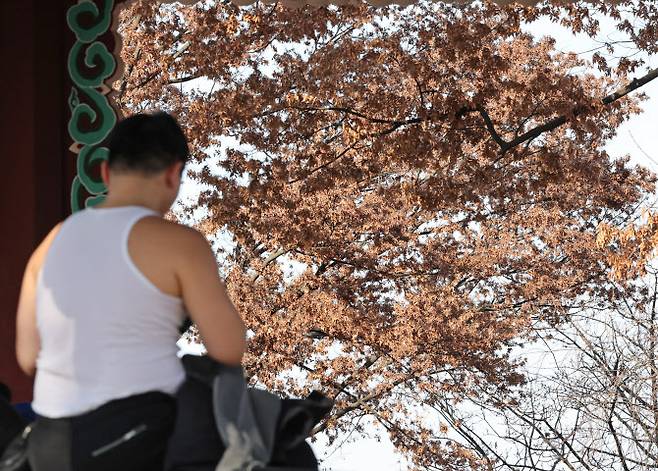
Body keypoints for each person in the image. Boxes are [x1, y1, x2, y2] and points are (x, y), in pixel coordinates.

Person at [14, 112, 247, 471]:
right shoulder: (181, 244)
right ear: (173, 174)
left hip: (52, 446)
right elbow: (228, 350)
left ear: (105, 173)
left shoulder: (49, 244)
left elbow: (29, 357)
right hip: (144, 438)